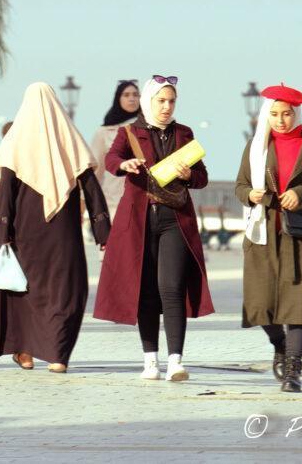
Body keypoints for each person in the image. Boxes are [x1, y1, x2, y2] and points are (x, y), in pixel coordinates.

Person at [93, 75, 214, 382]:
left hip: (175, 218)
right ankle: (150, 360)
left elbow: (202, 177)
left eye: (171, 101)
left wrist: (188, 176)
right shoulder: (130, 132)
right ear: (150, 101)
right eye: (161, 100)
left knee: (171, 288)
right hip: (139, 219)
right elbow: (110, 159)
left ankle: (176, 360)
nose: (166, 106)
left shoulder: (184, 133)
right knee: (146, 290)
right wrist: (125, 165)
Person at [0, 83, 111, 374]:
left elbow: (5, 194)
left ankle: (27, 353)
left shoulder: (14, 142)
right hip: (63, 233)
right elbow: (92, 188)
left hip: (25, 232)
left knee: (24, 290)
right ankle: (58, 355)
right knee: (65, 289)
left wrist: (2, 236)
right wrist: (103, 232)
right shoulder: (70, 139)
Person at [235, 84, 302, 393]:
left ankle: (293, 368)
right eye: (275, 114)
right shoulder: (256, 147)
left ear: (296, 114)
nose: (281, 121)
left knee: (299, 302)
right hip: (262, 234)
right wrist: (250, 194)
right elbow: (239, 186)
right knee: (259, 302)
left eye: (287, 114)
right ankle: (279, 344)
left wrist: (300, 193)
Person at [90, 80, 141, 219]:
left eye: (136, 94)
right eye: (126, 95)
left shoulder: (149, 127)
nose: (132, 98)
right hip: (114, 201)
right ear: (118, 98)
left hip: (144, 197)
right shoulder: (104, 132)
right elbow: (96, 169)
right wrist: (87, 200)